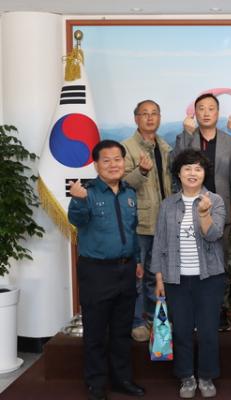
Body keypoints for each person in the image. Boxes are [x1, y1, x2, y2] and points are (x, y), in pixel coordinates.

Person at [68, 140, 145, 400]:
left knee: (122, 330)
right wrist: (78, 200)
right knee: (96, 332)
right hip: (96, 272)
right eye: (107, 160)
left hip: (126, 269)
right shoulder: (87, 192)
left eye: (117, 159)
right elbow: (77, 220)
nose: (113, 165)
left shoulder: (129, 193)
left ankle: (122, 380)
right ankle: (96, 383)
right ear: (96, 165)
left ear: (124, 162)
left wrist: (137, 261)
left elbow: (132, 231)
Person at [151, 149, 227, 399]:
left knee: (208, 331)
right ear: (179, 174)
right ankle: (186, 376)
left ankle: (206, 376)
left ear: (204, 173)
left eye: (198, 169)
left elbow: (214, 235)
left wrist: (204, 213)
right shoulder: (167, 204)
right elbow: (159, 242)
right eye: (187, 168)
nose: (192, 173)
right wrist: (159, 278)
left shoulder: (215, 200)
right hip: (176, 278)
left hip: (209, 278)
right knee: (181, 330)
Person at [172, 92, 231, 332]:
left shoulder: (229, 141)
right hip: (189, 209)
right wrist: (187, 134)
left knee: (222, 263)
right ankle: (194, 311)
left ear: (218, 113)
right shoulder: (186, 137)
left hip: (221, 209)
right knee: (193, 262)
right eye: (201, 108)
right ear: (195, 113)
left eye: (211, 108)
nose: (206, 113)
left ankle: (220, 309)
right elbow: (175, 164)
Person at [121, 99, 172, 342]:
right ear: (136, 118)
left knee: (156, 274)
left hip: (163, 222)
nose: (150, 118)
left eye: (154, 113)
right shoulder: (127, 147)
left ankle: (153, 317)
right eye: (145, 113)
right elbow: (122, 184)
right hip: (140, 222)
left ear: (159, 118)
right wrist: (141, 171)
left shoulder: (165, 147)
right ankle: (137, 321)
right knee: (138, 276)